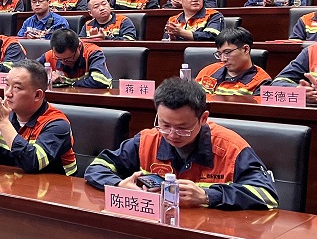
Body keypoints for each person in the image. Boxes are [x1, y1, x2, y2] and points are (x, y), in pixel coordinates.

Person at [84, 79, 278, 210]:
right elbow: (97, 167)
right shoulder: (147, 140)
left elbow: (267, 194)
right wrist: (119, 185)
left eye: (183, 128)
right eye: (165, 125)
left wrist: (208, 196)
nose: (172, 135)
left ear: (203, 119)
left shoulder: (230, 148)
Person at [0, 60, 77, 174]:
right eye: (7, 85)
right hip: (12, 183)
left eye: (17, 87)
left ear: (37, 95)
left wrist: (3, 123)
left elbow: (32, 163)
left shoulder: (57, 124)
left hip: (54, 185)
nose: (8, 93)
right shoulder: (4, 116)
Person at [194, 27, 271, 96]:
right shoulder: (209, 71)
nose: (223, 59)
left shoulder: (262, 82)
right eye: (219, 54)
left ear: (245, 49)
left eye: (227, 52)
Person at [41, 29, 112, 89]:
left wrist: (66, 82)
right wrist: (47, 78)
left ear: (79, 47)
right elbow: (34, 73)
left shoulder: (92, 53)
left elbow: (100, 81)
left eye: (68, 58)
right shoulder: (50, 55)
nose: (63, 62)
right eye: (59, 58)